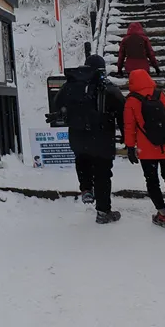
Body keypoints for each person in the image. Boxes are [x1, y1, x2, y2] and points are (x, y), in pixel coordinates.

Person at [52, 54, 126, 224]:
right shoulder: (109, 88)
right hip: (101, 138)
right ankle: (103, 211)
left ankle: (86, 189)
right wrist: (127, 139)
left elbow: (57, 103)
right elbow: (123, 115)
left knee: (82, 160)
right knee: (102, 174)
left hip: (77, 136)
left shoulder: (71, 85)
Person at [124, 67, 165, 228]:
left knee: (152, 181)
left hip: (147, 149)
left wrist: (129, 147)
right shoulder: (163, 94)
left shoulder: (132, 100)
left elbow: (129, 126)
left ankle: (163, 215)